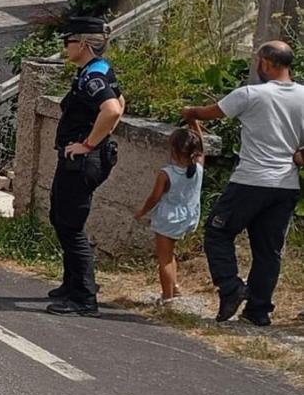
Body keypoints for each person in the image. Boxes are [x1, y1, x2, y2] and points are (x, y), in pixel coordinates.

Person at [181, 41, 304, 325]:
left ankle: (231, 286)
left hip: (251, 180)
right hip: (285, 185)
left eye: (259, 61)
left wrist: (191, 112)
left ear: (267, 63)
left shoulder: (250, 95)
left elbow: (211, 112)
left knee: (217, 231)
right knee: (268, 250)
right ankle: (258, 311)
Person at [46, 17, 125, 316]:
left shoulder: (93, 76)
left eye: (68, 42)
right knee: (59, 215)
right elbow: (120, 100)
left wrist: (89, 143)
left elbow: (112, 109)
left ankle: (84, 297)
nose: (66, 47)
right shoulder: (98, 70)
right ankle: (72, 283)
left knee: (71, 225)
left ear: (81, 43)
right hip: (79, 159)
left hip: (82, 160)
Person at [133, 126, 205, 304]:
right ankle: (175, 287)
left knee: (164, 259)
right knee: (170, 253)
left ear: (173, 149)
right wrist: (194, 123)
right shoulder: (199, 168)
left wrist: (142, 211)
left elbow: (154, 198)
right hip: (189, 216)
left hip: (169, 217)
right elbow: (202, 148)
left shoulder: (167, 173)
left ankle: (167, 297)